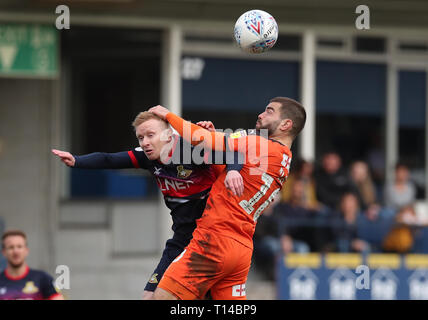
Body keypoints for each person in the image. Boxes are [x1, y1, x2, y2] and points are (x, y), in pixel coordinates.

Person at [52, 111, 244, 299]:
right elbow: (109, 158)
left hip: (208, 240)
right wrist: (76, 161)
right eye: (140, 137)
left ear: (169, 134)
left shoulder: (191, 150)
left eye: (150, 135)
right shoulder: (146, 157)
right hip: (181, 238)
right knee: (149, 294)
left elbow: (234, 154)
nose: (144, 143)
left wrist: (234, 171)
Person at [148, 96, 306, 300]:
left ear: (286, 124)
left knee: (161, 297)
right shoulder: (283, 158)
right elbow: (226, 169)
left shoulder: (260, 144)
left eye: (269, 111)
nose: (261, 114)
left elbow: (198, 137)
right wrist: (215, 139)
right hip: (240, 248)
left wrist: (167, 115)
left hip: (214, 239)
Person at [0, 230, 63, 300]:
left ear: (26, 250)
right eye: (11, 247)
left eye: (19, 246)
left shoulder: (43, 278)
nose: (15, 251)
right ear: (4, 252)